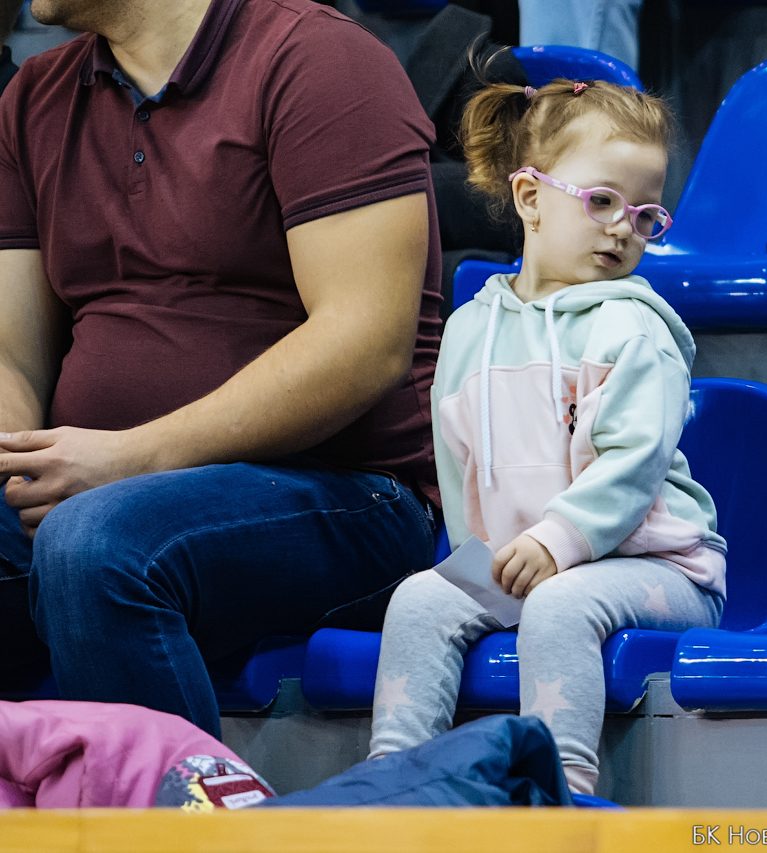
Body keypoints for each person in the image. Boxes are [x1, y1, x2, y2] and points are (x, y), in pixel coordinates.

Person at [0, 0, 443, 738]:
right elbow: (12, 353)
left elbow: (365, 342)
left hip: (348, 492)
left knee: (96, 543)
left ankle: (180, 803)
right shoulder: (35, 95)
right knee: (88, 531)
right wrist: (17, 461)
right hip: (97, 488)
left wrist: (128, 458)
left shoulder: (321, 59)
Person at [368, 76, 727, 796]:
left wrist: (556, 541)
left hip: (663, 570)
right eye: (602, 201)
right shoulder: (470, 329)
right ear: (531, 198)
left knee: (562, 605)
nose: (623, 228)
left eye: (645, 215)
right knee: (418, 599)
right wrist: (488, 560)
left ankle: (561, 795)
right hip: (531, 568)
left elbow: (632, 465)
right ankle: (396, 785)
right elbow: (459, 465)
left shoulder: (635, 328)